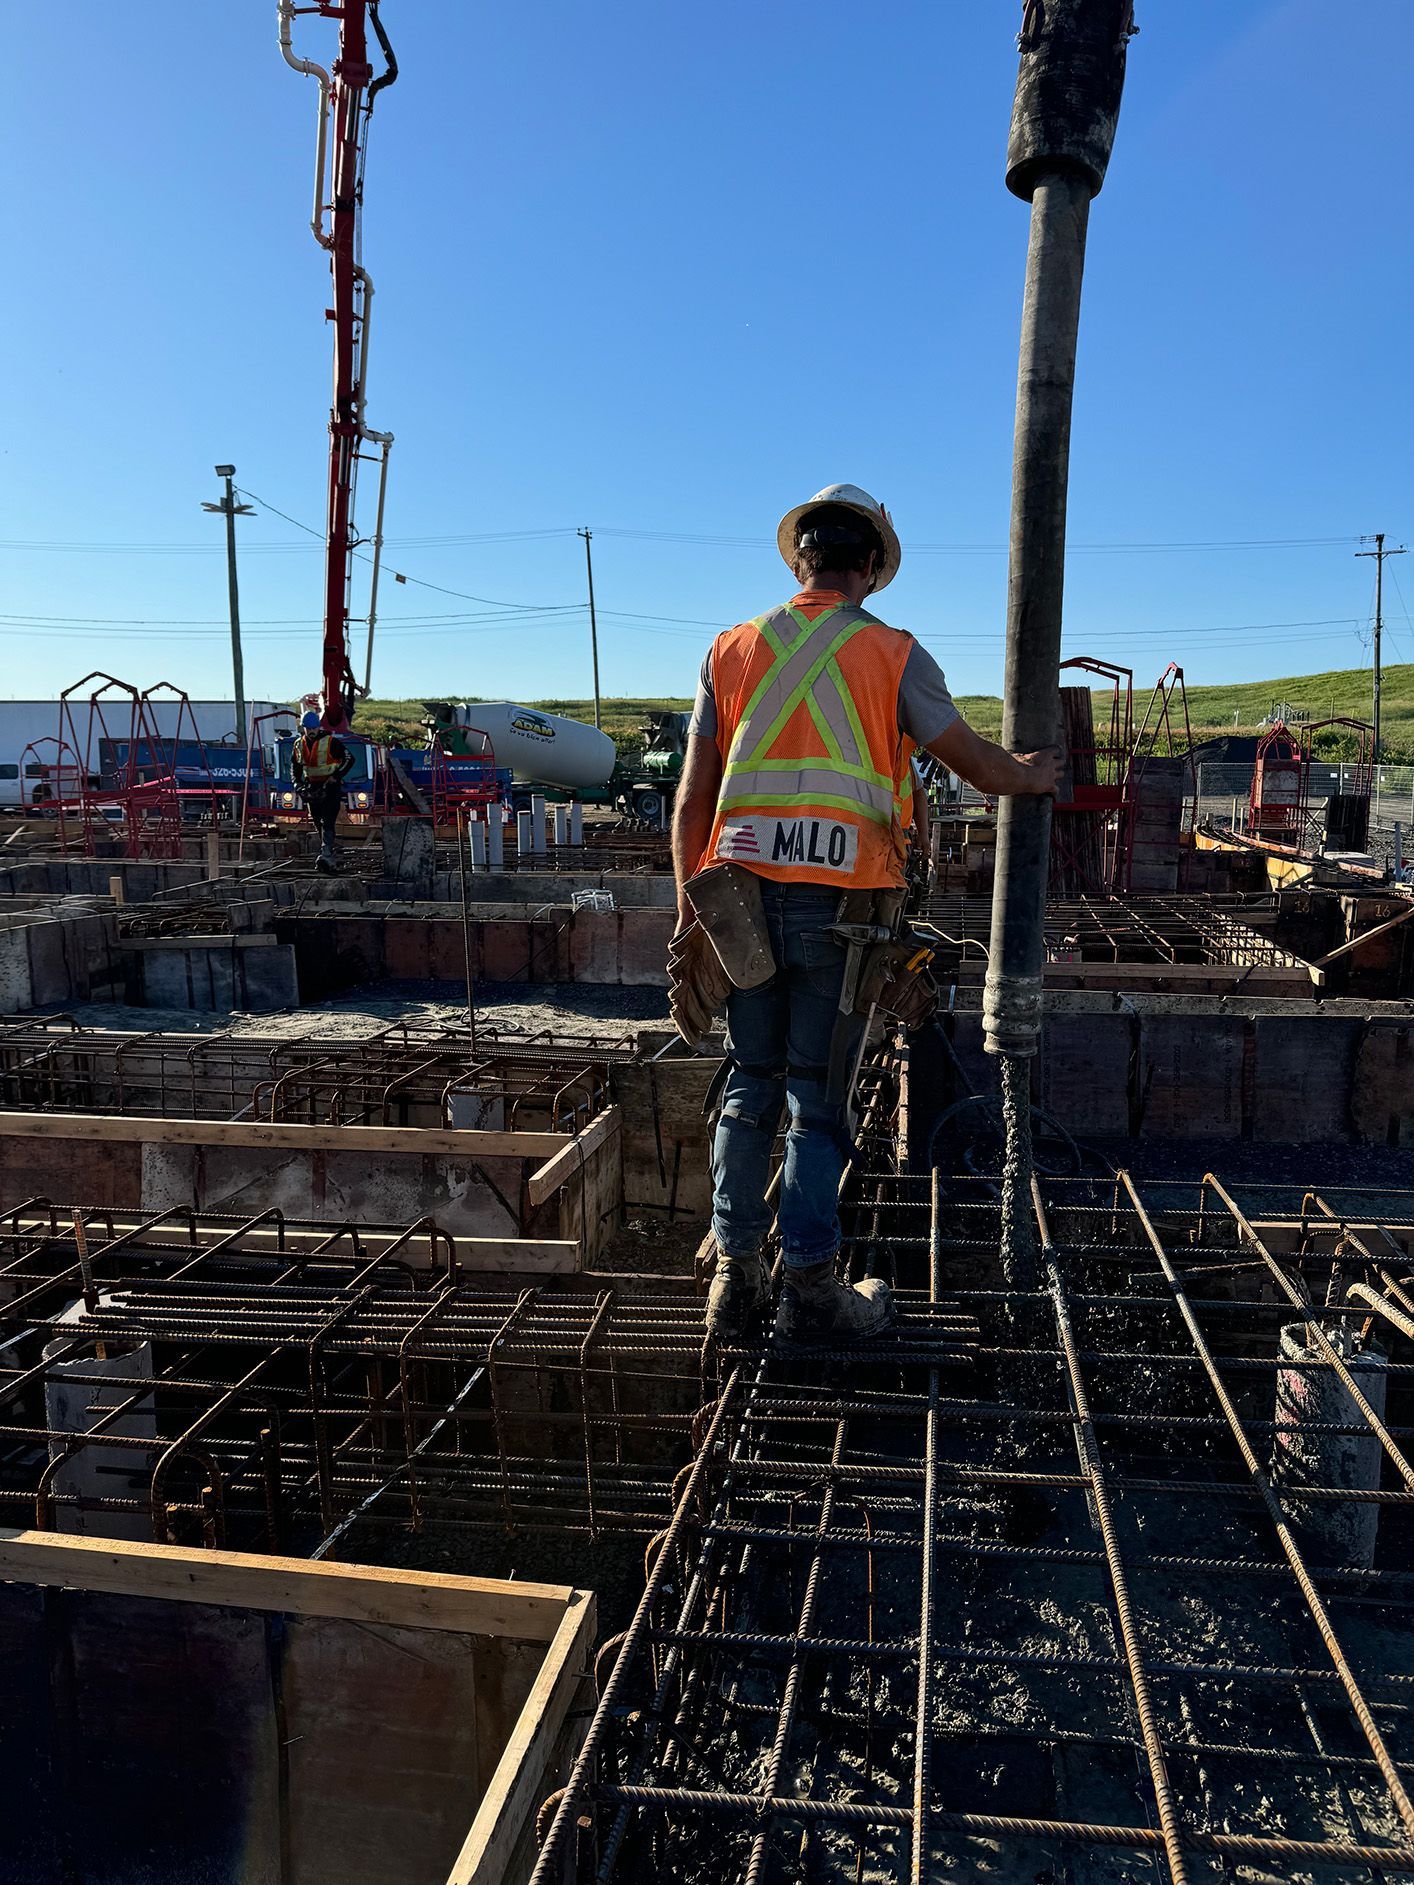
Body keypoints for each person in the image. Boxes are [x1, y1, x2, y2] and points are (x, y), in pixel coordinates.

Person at [671, 484, 1060, 1344]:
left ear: (801, 559)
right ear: (872, 569)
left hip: (737, 902)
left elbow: (692, 800)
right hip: (841, 910)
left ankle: (733, 1271)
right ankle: (808, 1278)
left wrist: (688, 915)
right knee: (816, 1100)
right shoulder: (893, 653)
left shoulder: (728, 650)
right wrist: (1030, 775)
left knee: (748, 1086)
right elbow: (972, 760)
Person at [290, 711, 356, 868]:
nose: (312, 731)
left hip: (330, 787)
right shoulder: (299, 744)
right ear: (303, 728)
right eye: (308, 729)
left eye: (314, 728)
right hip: (312, 787)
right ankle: (328, 850)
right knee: (317, 820)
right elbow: (295, 768)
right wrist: (298, 785)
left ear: (318, 727)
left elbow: (349, 759)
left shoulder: (331, 742)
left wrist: (336, 776)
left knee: (327, 820)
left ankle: (326, 853)